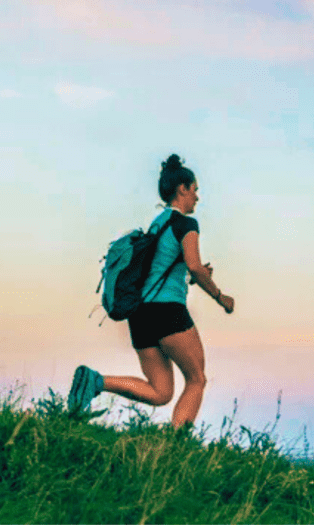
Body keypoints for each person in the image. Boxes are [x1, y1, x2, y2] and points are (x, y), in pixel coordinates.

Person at [69, 154, 235, 429]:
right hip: (167, 311)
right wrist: (221, 297)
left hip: (140, 315)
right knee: (197, 379)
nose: (197, 197)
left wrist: (193, 275)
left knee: (161, 392)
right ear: (182, 189)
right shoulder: (186, 224)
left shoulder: (157, 224)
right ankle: (177, 445)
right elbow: (194, 266)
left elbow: (166, 268)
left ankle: (95, 381)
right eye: (195, 190)